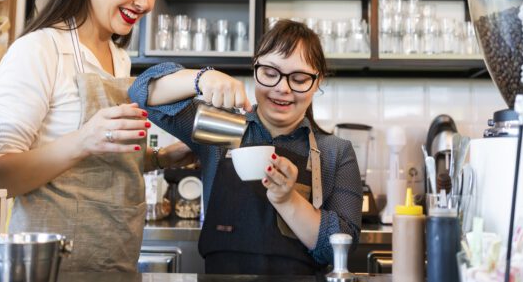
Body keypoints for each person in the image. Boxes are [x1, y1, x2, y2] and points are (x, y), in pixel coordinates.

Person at [0, 0, 195, 272]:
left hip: (114, 261)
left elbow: (103, 162)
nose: (144, 2)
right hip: (50, 266)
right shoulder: (39, 50)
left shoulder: (119, 58)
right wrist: (84, 139)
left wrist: (164, 157)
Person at [129, 19, 363, 275]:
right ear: (255, 70)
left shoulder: (335, 152)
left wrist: (288, 200)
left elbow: (341, 246)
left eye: (298, 78)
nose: (282, 89)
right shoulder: (218, 128)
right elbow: (140, 93)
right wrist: (201, 78)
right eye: (270, 73)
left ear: (317, 82)